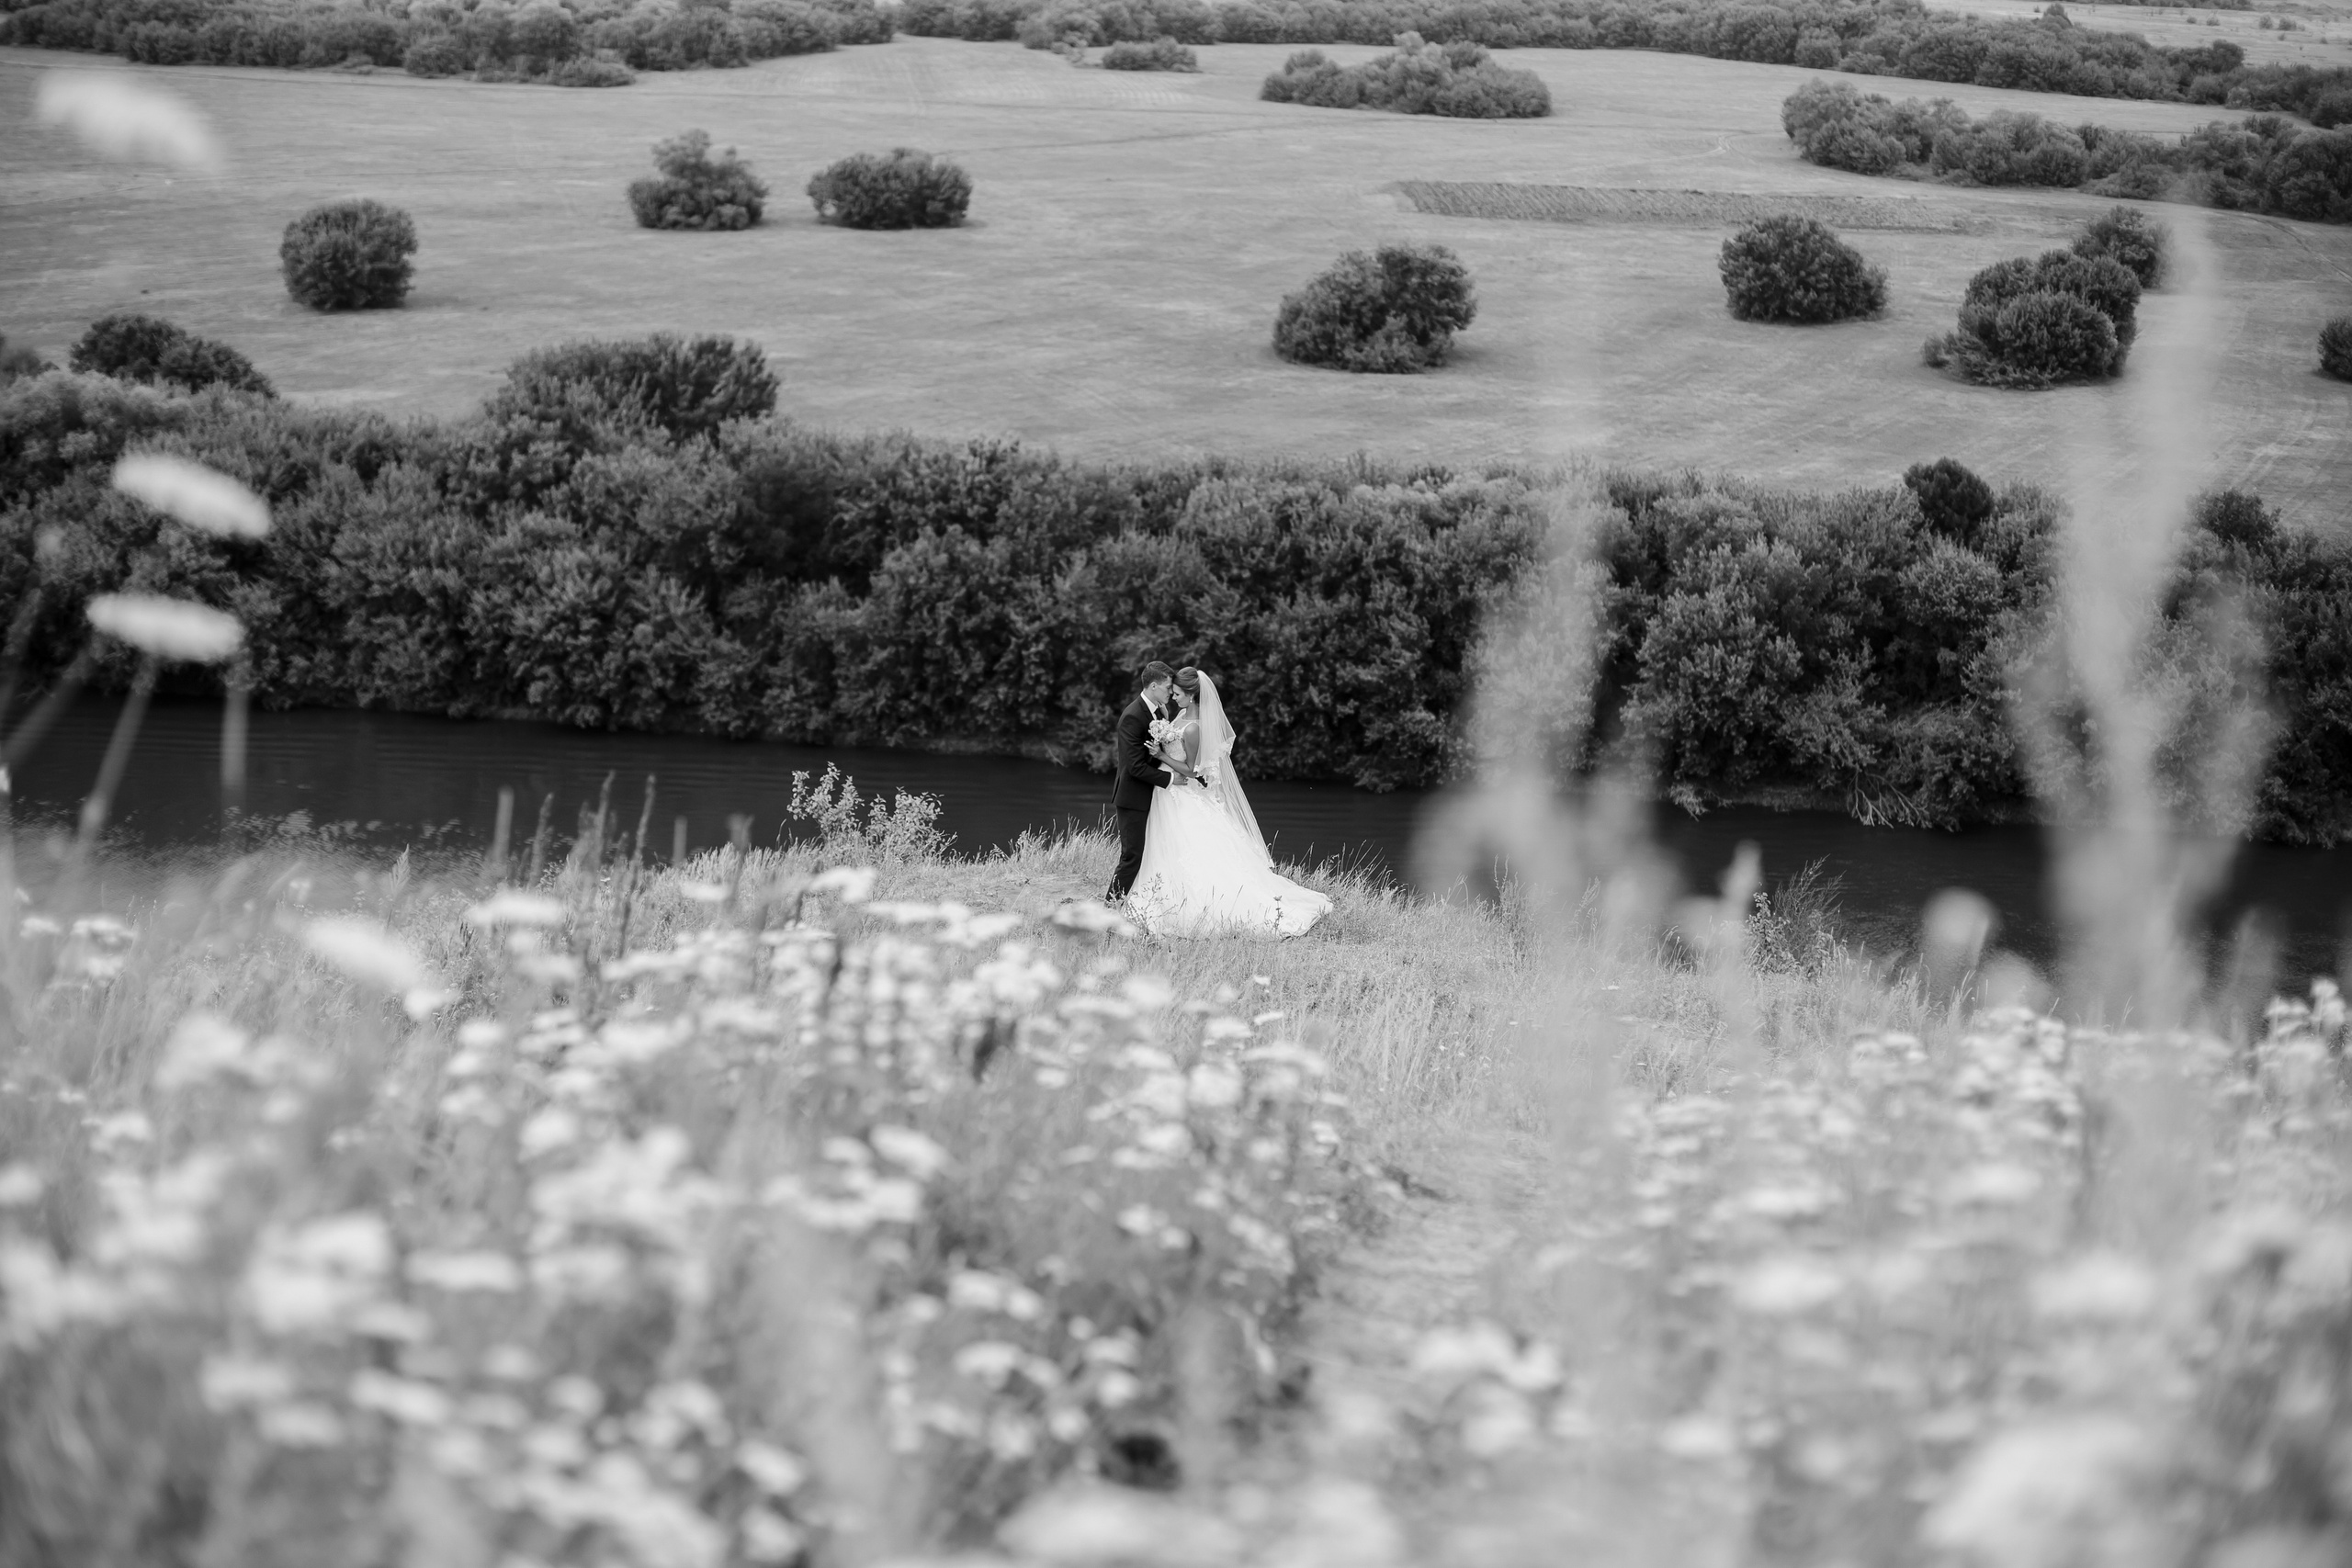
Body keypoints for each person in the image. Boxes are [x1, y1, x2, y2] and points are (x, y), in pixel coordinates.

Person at [1125, 666, 1331, 939]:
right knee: (1167, 847)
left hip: (1181, 790)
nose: (1173, 698)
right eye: (1171, 692)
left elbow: (1193, 770)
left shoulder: (1195, 728)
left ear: (1192, 695)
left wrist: (1161, 756)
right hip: (1168, 793)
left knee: (1188, 847)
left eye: (1177, 693)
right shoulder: (1181, 715)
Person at [1106, 660, 1187, 902]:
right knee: (1132, 856)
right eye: (1167, 688)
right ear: (1153, 686)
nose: (1171, 693)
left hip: (1153, 795)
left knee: (1153, 852)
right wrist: (1171, 778)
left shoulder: (1160, 710)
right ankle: (1110, 906)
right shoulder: (1133, 715)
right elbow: (1135, 767)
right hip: (1133, 796)